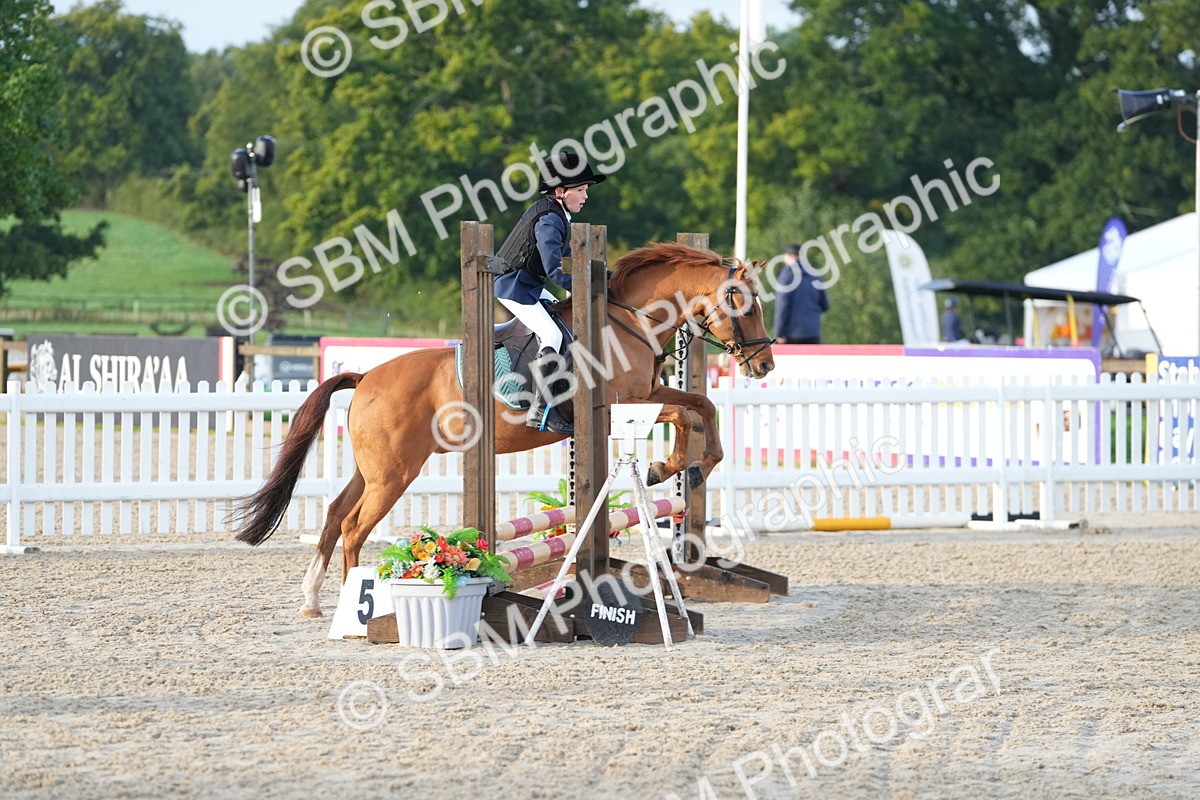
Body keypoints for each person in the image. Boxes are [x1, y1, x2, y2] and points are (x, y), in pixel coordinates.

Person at [493, 151, 606, 432]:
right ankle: (540, 409)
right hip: (513, 288)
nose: (585, 196)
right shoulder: (549, 220)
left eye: (585, 190)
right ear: (560, 191)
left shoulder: (557, 214)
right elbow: (555, 270)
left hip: (529, 286)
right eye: (580, 190)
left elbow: (568, 265)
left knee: (564, 324)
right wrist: (587, 291)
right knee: (553, 334)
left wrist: (605, 279)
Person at [773, 243, 829, 344]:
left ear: (789, 256)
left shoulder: (786, 275)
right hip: (813, 334)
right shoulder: (816, 275)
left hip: (791, 335)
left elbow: (782, 307)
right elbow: (825, 305)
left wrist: (779, 333)